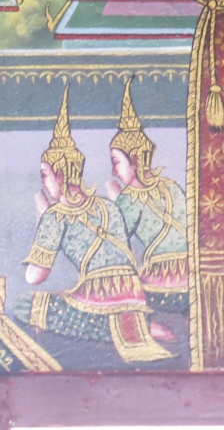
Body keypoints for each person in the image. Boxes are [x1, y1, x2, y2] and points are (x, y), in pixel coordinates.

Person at [15, 88, 172, 364]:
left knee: (25, 305)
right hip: (134, 297)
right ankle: (137, 324)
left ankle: (123, 329)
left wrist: (42, 223)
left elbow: (34, 277)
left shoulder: (55, 216)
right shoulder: (108, 206)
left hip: (96, 299)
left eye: (45, 175)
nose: (44, 183)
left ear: (60, 175)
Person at [104, 78, 189, 314]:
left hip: (161, 285)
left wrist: (115, 205)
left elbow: (115, 246)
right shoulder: (172, 187)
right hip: (194, 278)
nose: (114, 171)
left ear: (134, 160)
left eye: (116, 162)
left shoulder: (128, 199)